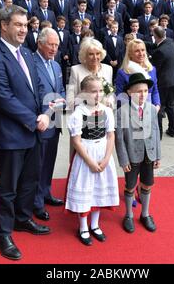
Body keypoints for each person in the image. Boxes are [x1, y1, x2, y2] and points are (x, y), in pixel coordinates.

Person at [0, 5, 51, 261]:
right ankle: (3, 234)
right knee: (8, 187)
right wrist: (34, 119)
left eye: (25, 25)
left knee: (30, 181)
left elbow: (40, 87)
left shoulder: (29, 55)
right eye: (18, 25)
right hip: (11, 134)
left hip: (34, 130)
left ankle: (22, 219)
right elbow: (2, 97)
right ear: (4, 26)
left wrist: (44, 112)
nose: (24, 30)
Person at [66, 75, 119, 246]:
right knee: (86, 188)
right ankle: (83, 227)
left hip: (102, 153)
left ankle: (95, 225)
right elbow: (76, 141)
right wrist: (89, 161)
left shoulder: (107, 111)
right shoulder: (78, 114)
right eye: (93, 91)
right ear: (83, 93)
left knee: (99, 189)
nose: (97, 95)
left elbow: (111, 136)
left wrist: (106, 158)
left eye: (100, 91)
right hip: (86, 155)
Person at [116, 72, 161, 234]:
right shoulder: (122, 112)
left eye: (145, 91)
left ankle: (145, 214)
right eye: (138, 91)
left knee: (147, 184)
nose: (142, 95)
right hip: (131, 157)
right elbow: (119, 139)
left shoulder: (151, 109)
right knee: (130, 185)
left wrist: (158, 155)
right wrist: (123, 159)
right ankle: (128, 215)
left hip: (149, 154)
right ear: (129, 92)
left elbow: (156, 133)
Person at [32, 27, 66, 221]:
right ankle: (36, 202)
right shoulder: (31, 63)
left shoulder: (56, 65)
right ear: (40, 43)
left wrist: (61, 99)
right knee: (38, 163)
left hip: (56, 121)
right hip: (41, 121)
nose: (54, 49)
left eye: (56, 45)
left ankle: (46, 192)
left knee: (49, 161)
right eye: (51, 45)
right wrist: (47, 109)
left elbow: (60, 89)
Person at [67, 38, 113, 110]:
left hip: (103, 113)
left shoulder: (108, 69)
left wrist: (110, 102)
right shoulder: (75, 70)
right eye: (91, 54)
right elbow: (70, 100)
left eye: (97, 53)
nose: (95, 57)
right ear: (84, 55)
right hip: (83, 114)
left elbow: (110, 94)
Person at [115, 39, 161, 111]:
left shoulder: (151, 69)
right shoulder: (123, 72)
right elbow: (119, 95)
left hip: (150, 110)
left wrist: (157, 105)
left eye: (143, 50)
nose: (141, 53)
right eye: (137, 51)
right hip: (130, 112)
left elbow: (155, 90)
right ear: (130, 54)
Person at [151, 26, 174, 138]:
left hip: (163, 83)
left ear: (156, 37)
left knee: (159, 107)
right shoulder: (170, 42)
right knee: (171, 106)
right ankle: (172, 130)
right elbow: (156, 45)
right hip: (173, 80)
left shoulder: (159, 52)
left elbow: (154, 67)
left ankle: (159, 134)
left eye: (153, 36)